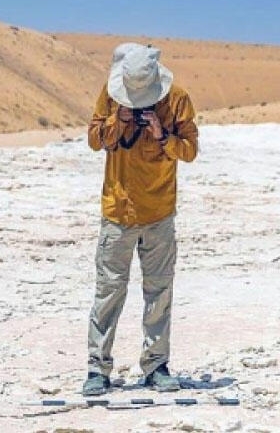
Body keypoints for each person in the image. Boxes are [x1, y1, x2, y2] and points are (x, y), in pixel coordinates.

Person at [82, 43, 199, 396]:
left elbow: (190, 150)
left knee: (159, 291)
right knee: (108, 291)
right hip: (117, 212)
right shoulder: (111, 95)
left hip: (159, 213)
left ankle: (156, 365)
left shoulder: (177, 99)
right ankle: (97, 369)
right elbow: (93, 140)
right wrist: (120, 120)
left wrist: (163, 135)